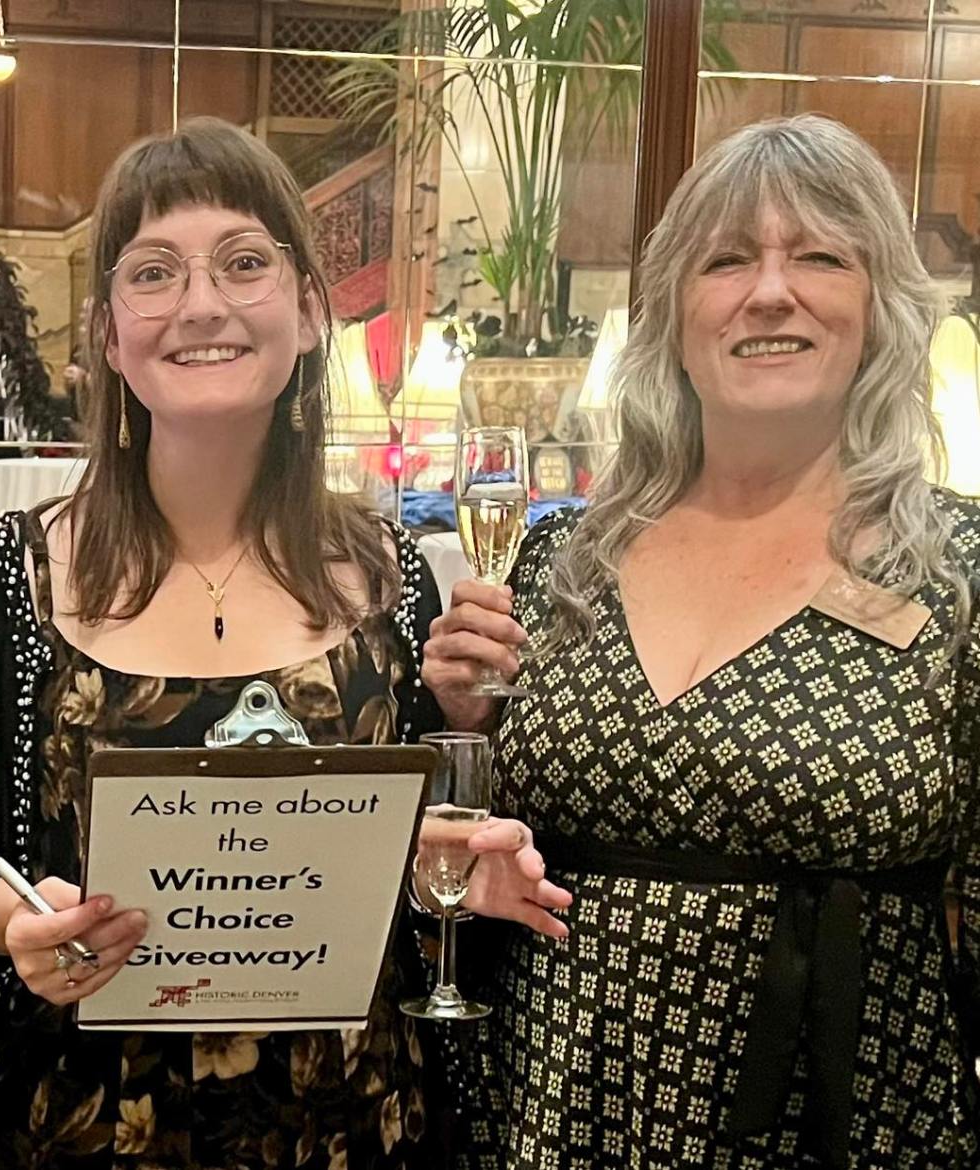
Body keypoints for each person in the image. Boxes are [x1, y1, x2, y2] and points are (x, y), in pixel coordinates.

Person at [0, 117, 569, 1169]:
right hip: (81, 1129)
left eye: (245, 263)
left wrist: (449, 834)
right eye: (155, 272)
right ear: (109, 334)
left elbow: (386, 855)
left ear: (311, 310)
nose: (203, 304)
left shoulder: (392, 576)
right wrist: (8, 927)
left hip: (349, 1128)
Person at [426, 114, 980, 1166]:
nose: (770, 291)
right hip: (551, 1103)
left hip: (841, 1111)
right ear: (675, 313)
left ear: (881, 308)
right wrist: (463, 729)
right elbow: (475, 860)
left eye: (819, 255)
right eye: (728, 260)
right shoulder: (560, 559)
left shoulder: (959, 572)